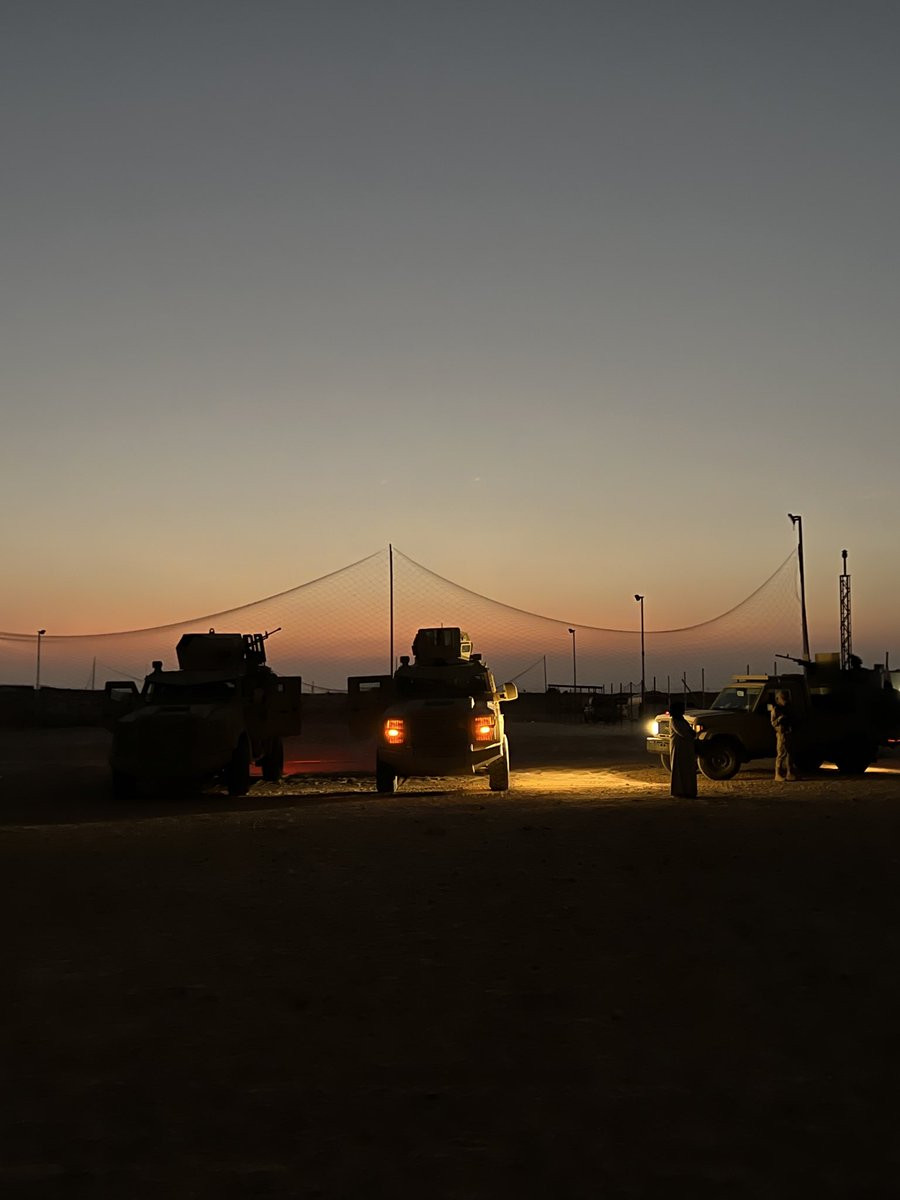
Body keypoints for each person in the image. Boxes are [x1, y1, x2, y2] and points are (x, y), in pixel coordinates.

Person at [669, 699, 698, 798]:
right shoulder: (674, 720)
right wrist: (692, 734)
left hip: (686, 747)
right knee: (679, 769)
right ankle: (679, 791)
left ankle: (687, 791)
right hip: (678, 747)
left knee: (687, 769)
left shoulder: (682, 720)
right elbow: (683, 733)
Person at [770, 690, 799, 781]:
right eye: (783, 698)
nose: (785, 700)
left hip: (788, 732)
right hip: (781, 734)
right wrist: (779, 719)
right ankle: (777, 774)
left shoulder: (788, 708)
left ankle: (789, 773)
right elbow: (773, 723)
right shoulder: (776, 709)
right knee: (781, 754)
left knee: (790, 753)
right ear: (778, 699)